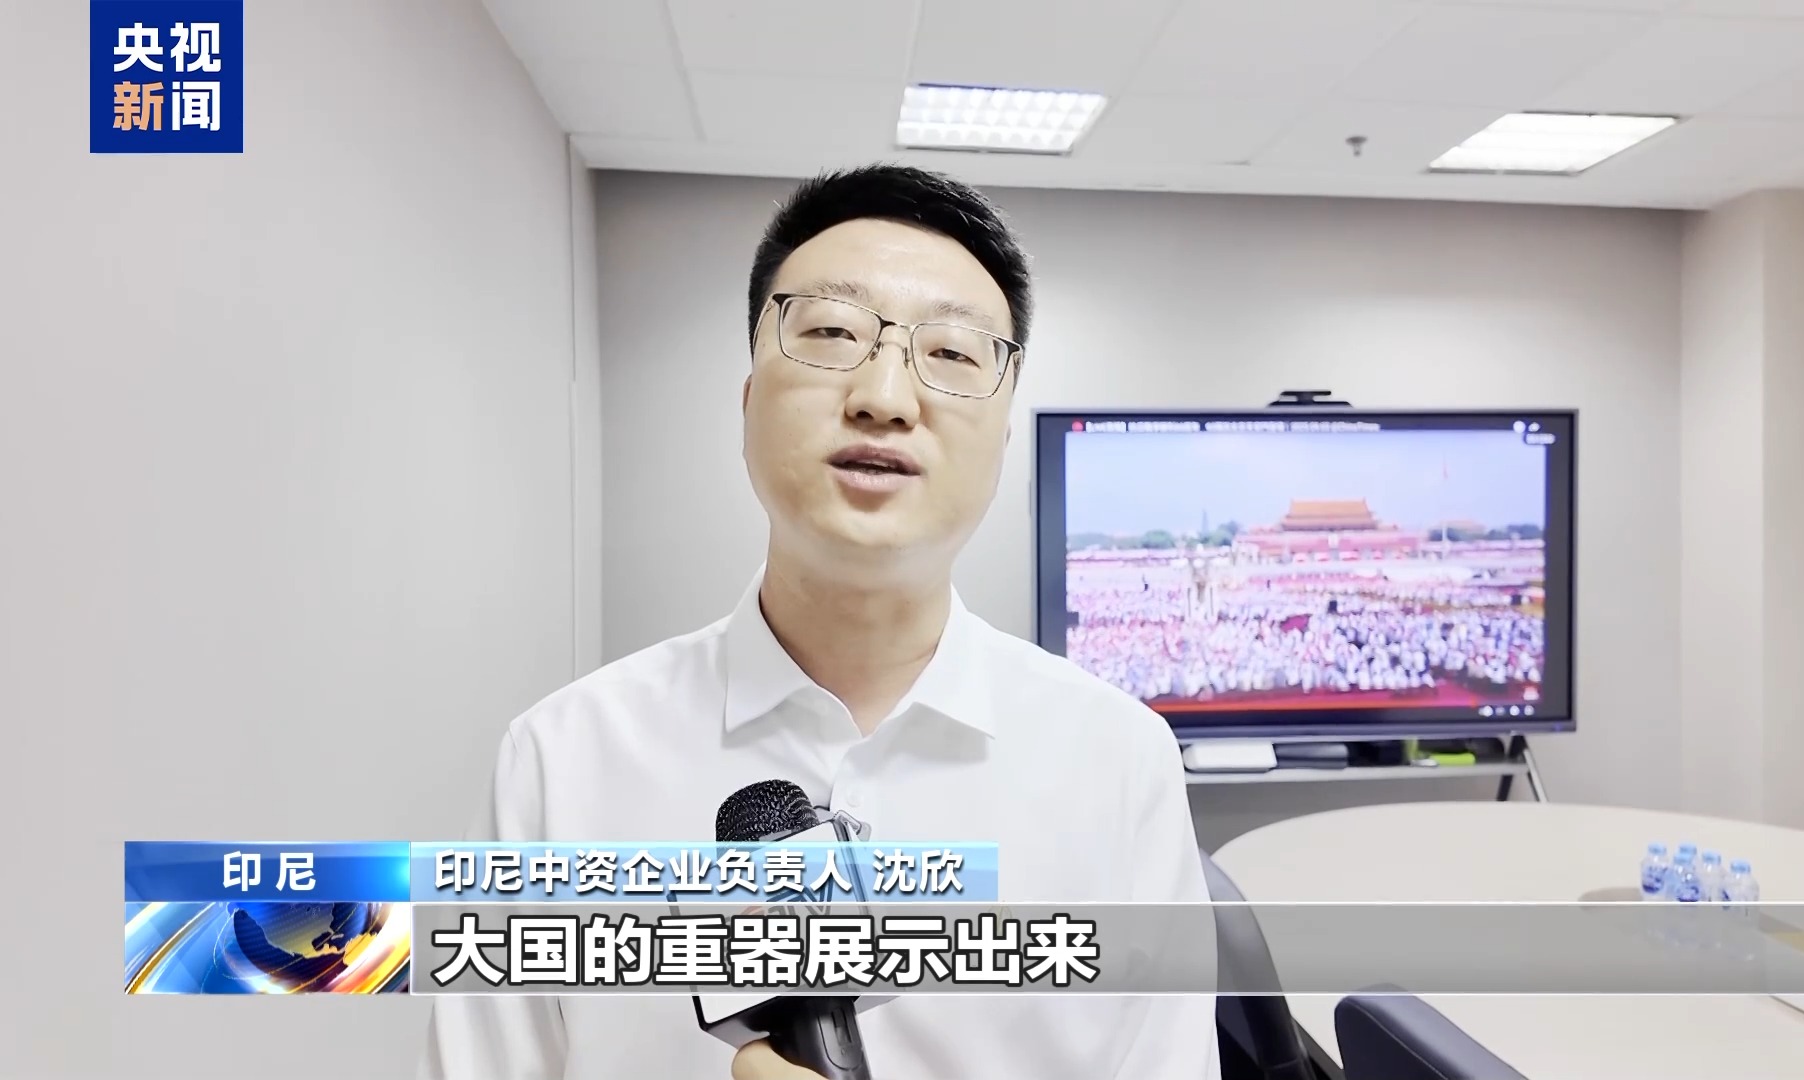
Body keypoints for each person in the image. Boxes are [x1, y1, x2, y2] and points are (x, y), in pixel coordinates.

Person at [419, 165, 1218, 1080]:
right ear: (748, 404)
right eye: (832, 333)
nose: (885, 396)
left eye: (953, 353)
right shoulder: (561, 760)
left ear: (1002, 440)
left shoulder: (1119, 760)